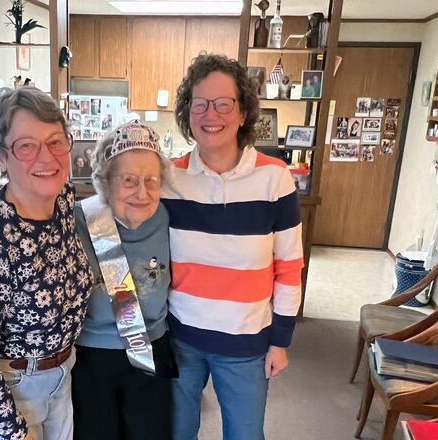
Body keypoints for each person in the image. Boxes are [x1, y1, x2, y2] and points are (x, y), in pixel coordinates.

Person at [163, 53, 304, 440]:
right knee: (175, 432)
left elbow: (289, 268)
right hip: (180, 338)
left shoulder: (275, 178)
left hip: (246, 344)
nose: (211, 114)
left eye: (224, 103)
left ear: (243, 112)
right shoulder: (168, 177)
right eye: (200, 103)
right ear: (188, 113)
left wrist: (280, 341)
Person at [0, 87, 93, 440]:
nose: (47, 157)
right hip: (9, 390)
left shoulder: (63, 199)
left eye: (55, 141)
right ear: (1, 156)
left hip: (61, 374)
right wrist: (14, 431)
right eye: (27, 146)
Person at [71, 120, 178, 439]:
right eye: (129, 180)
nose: (142, 192)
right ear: (105, 182)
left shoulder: (168, 218)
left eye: (151, 180)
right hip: (92, 355)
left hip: (152, 349)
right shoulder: (78, 219)